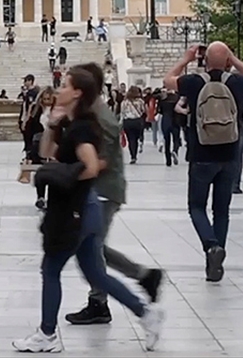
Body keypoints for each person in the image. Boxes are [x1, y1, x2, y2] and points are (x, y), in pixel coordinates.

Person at [12, 66, 165, 353]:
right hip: (86, 208)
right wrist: (51, 124)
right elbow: (47, 152)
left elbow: (92, 166)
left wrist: (63, 175)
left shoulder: (84, 127)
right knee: (96, 273)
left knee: (51, 268)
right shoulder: (70, 123)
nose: (58, 90)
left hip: (78, 209)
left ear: (78, 93)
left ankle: (47, 334)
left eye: (65, 86)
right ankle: (146, 314)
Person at [65, 63, 163, 327]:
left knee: (91, 249)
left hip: (106, 191)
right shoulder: (91, 112)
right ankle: (143, 276)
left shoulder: (101, 116)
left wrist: (72, 172)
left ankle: (100, 302)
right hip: (99, 190)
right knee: (93, 248)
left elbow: (105, 160)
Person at [164, 43, 243, 283]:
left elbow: (168, 80)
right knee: (221, 211)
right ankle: (215, 263)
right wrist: (234, 59)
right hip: (229, 155)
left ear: (204, 60)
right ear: (227, 61)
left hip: (201, 153)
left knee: (196, 207)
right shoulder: (236, 83)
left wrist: (186, 59)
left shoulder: (195, 82)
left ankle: (211, 246)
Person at [120, 86, 145, 164]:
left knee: (131, 139)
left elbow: (122, 112)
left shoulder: (124, 102)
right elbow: (143, 110)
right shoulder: (140, 101)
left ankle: (133, 156)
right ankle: (136, 151)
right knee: (136, 139)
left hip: (128, 121)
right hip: (137, 121)